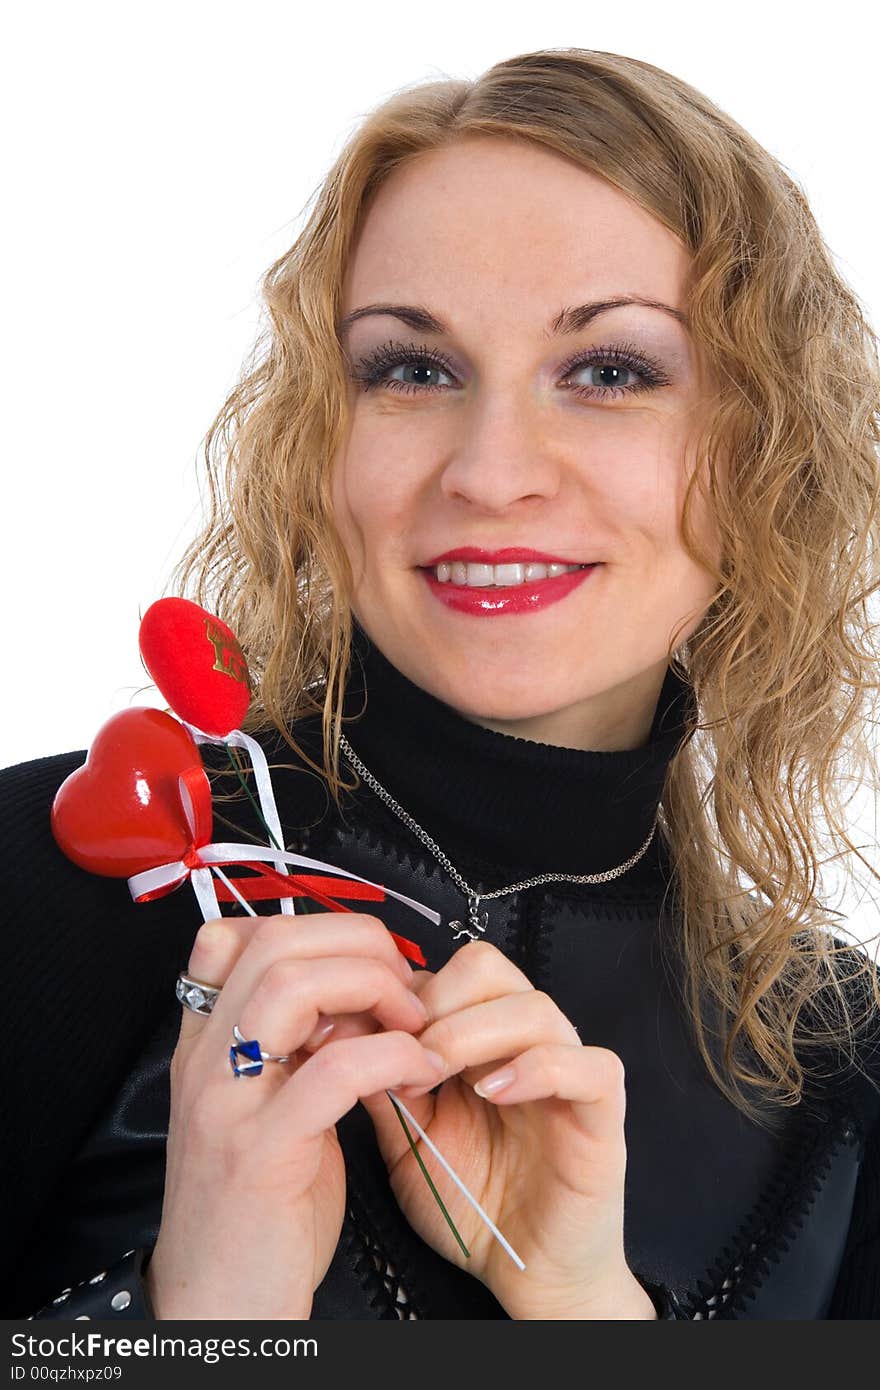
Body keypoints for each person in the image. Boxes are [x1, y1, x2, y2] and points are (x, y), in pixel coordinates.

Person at [4, 46, 880, 1322]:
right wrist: (202, 1315)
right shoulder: (56, 880)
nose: (492, 469)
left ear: (768, 454)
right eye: (413, 369)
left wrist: (585, 1310)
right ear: (320, 434)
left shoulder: (841, 1059)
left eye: (612, 370)